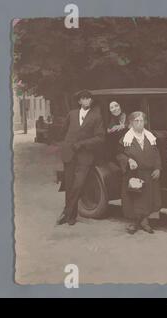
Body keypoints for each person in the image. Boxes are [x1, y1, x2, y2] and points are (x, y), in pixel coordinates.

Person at [57, 90, 105, 226]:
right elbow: (63, 131)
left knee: (78, 185)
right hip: (69, 154)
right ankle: (71, 216)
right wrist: (64, 145)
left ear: (91, 101)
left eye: (89, 99)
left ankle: (66, 213)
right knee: (69, 184)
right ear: (79, 101)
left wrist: (82, 144)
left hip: (85, 156)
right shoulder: (71, 114)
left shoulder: (97, 117)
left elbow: (100, 138)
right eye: (84, 98)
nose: (86, 101)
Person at [117, 111, 161, 234]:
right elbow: (119, 155)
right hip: (133, 174)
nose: (140, 123)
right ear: (131, 123)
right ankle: (133, 222)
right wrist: (128, 160)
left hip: (148, 173)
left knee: (147, 197)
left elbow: (156, 154)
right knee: (134, 197)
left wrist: (157, 168)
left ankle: (145, 221)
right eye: (136, 121)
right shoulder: (125, 139)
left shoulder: (150, 137)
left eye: (142, 121)